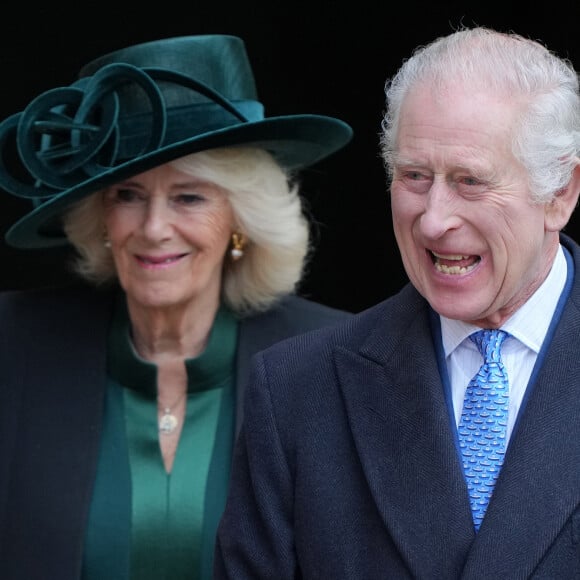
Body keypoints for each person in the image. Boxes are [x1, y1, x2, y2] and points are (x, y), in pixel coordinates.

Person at [214, 25, 580, 579]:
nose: (433, 219)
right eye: (414, 177)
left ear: (559, 194)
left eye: (470, 181)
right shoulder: (296, 392)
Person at [0, 35, 353, 579]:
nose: (154, 228)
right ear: (101, 219)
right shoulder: (14, 343)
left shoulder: (333, 363)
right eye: (127, 195)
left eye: (189, 196)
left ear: (240, 219)